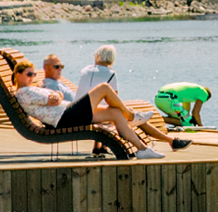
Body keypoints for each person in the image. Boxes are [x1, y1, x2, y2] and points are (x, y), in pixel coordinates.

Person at [12, 59, 165, 157]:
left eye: (33, 74)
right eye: (29, 74)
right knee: (104, 88)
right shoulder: (24, 93)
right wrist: (56, 95)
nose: (32, 77)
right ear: (18, 75)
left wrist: (56, 94)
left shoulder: (31, 89)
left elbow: (55, 95)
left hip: (68, 113)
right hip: (65, 116)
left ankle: (142, 149)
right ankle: (132, 117)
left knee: (115, 113)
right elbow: (53, 99)